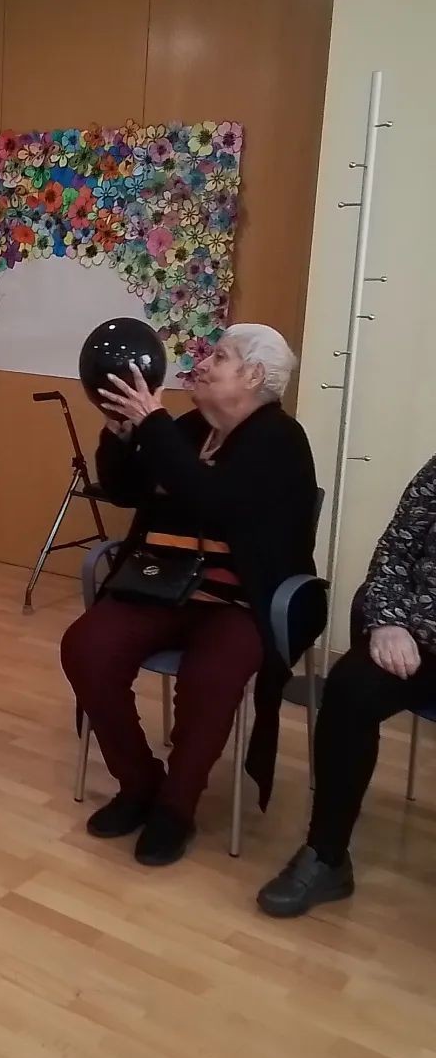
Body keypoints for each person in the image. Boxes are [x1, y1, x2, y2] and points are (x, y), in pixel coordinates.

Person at [60, 324, 324, 866]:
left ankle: (175, 808)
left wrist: (152, 424)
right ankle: (140, 783)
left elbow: (213, 501)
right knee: (86, 646)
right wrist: (121, 433)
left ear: (254, 376)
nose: (200, 364)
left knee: (211, 678)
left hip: (238, 602)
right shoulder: (188, 427)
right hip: (160, 584)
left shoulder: (280, 440)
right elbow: (126, 490)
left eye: (219, 357)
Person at [259, 454, 436, 916]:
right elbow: (396, 551)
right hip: (422, 639)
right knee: (349, 690)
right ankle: (327, 856)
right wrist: (388, 623)